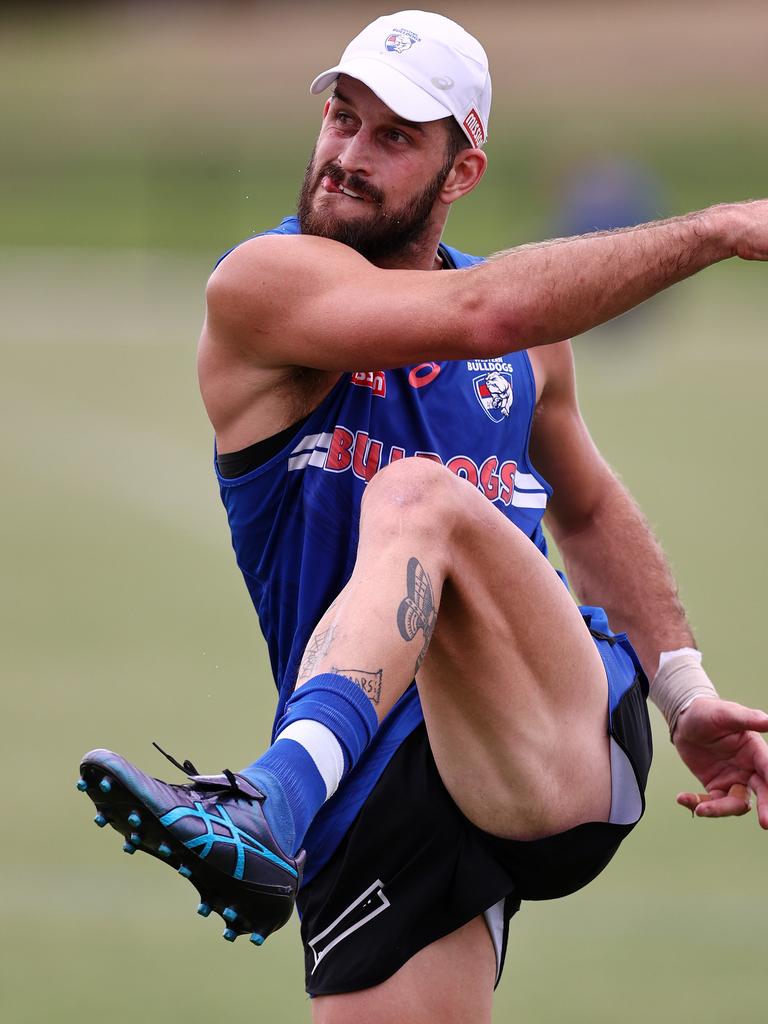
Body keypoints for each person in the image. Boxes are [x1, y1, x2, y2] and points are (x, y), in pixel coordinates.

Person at [78, 11, 768, 1023]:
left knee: (416, 498)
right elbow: (484, 311)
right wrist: (709, 228)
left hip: (549, 736)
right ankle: (287, 805)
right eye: (341, 118)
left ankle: (270, 800)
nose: (348, 156)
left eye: (394, 137)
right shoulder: (263, 287)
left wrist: (687, 692)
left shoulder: (527, 349)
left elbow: (584, 505)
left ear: (463, 173)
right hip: (375, 797)